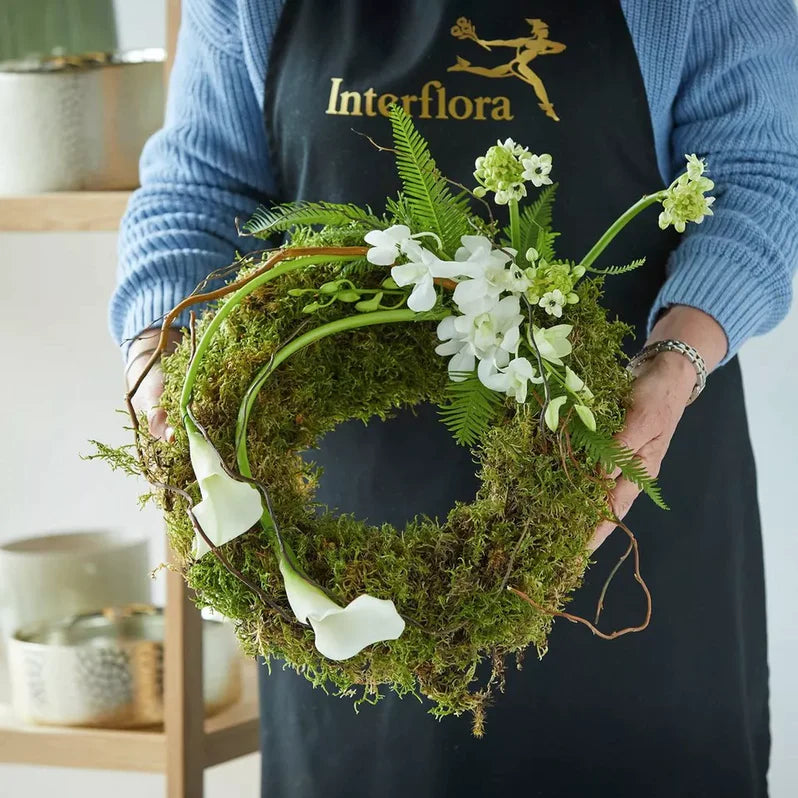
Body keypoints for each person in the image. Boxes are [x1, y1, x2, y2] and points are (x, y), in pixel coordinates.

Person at [112, 2, 798, 796]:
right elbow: (198, 192)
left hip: (621, 502)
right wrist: (160, 351)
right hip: (338, 569)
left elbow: (758, 177)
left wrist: (676, 359)